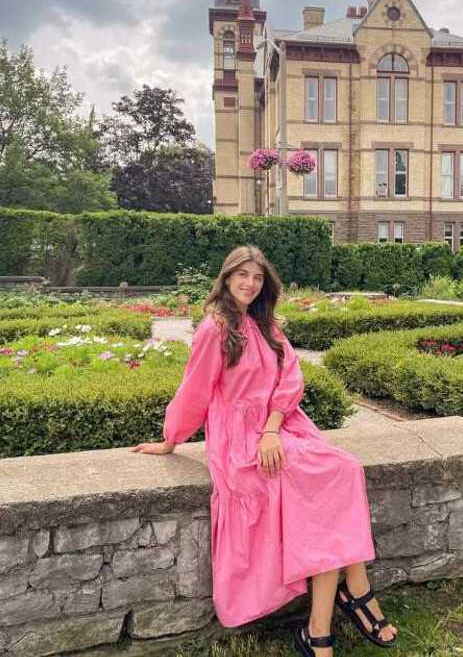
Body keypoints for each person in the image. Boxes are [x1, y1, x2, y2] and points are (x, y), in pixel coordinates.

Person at [132, 245, 397, 656]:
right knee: (326, 485)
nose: (250, 284)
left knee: (342, 470)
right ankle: (345, 604)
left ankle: (334, 610)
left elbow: (290, 378)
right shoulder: (215, 329)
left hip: (279, 427)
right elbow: (194, 392)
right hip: (239, 440)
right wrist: (172, 439)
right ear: (226, 278)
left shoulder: (266, 325)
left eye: (257, 278)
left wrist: (273, 427)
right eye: (242, 275)